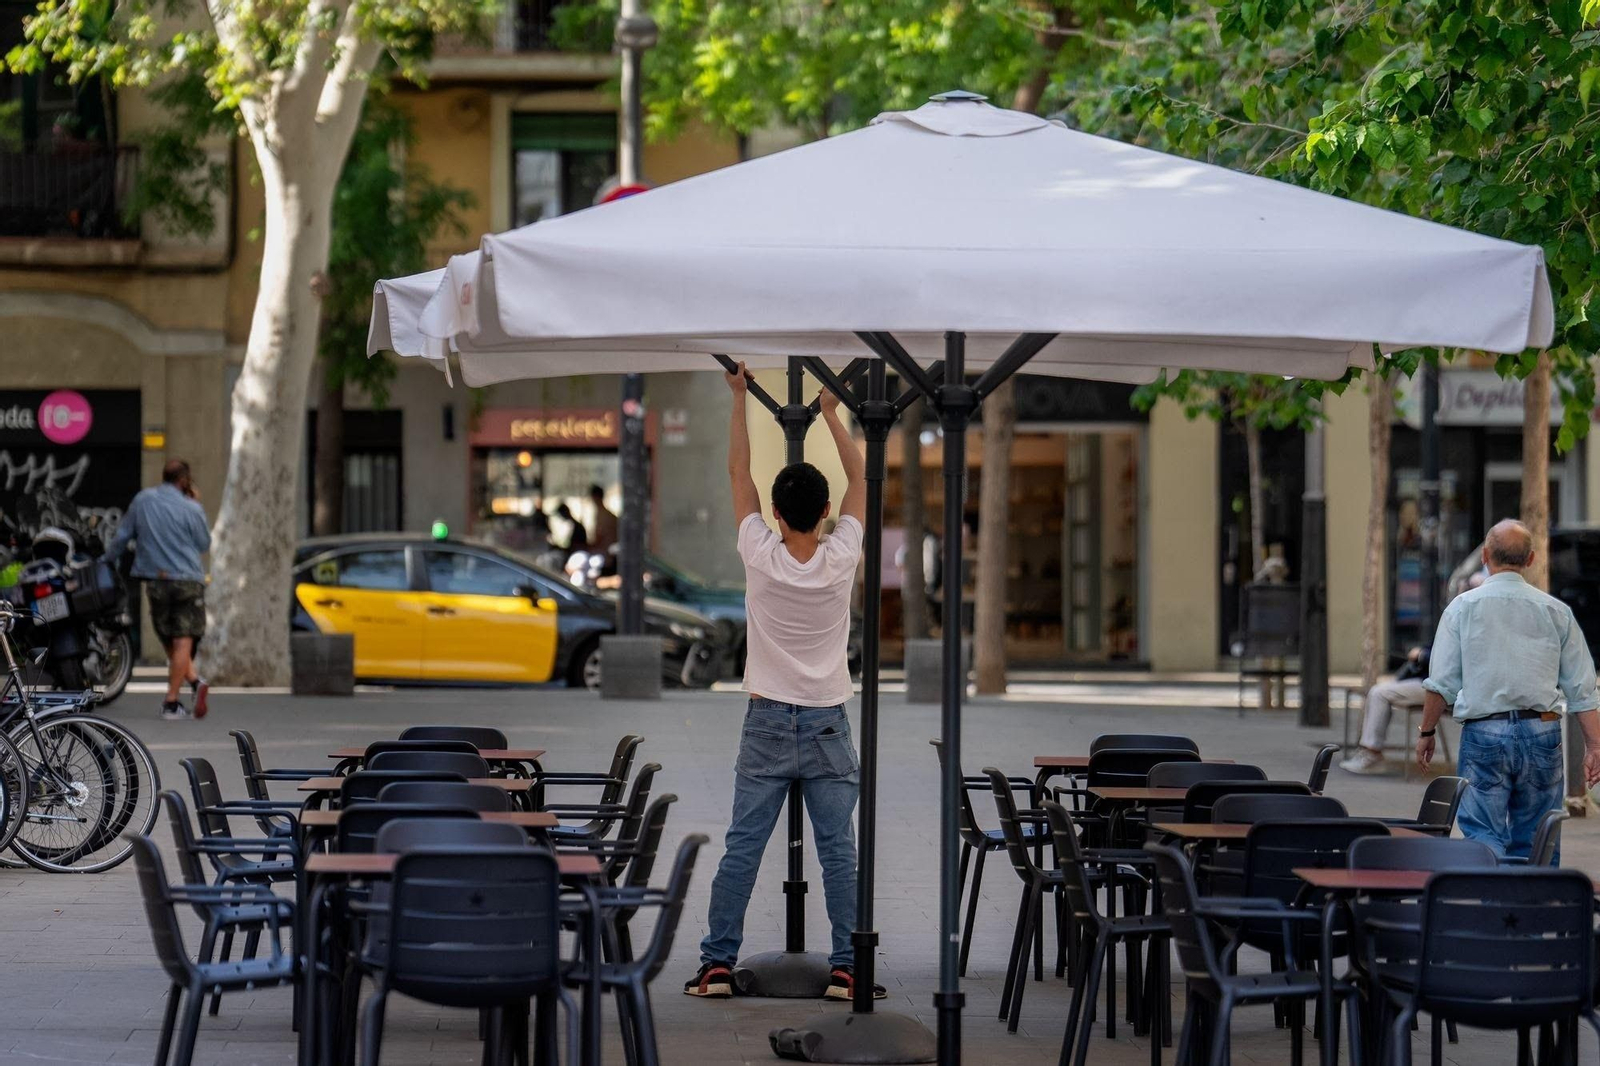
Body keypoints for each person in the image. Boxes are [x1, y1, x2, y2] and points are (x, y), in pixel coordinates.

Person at [685, 361, 882, 1002]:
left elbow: (737, 472)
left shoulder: (759, 553)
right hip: (827, 719)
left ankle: (717, 964)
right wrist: (830, 412)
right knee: (839, 855)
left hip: (768, 718)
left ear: (774, 512)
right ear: (826, 511)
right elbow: (863, 478)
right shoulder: (841, 556)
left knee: (742, 847)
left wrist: (739, 397)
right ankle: (850, 969)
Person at [1418, 518, 1600, 860]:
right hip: (1542, 731)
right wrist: (1594, 745)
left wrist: (1427, 732)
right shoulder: (1556, 612)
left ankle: (1493, 908)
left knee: (1483, 834)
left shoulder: (1462, 608)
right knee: (1538, 838)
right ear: (1531, 560)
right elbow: (1582, 689)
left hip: (1484, 732)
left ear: (1485, 556)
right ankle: (1534, 909)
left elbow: (1439, 683)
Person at [104, 459, 211, 720]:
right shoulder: (191, 507)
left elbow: (121, 537)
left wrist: (106, 562)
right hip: (187, 580)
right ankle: (172, 702)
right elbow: (203, 543)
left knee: (167, 637)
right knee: (182, 639)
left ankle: (196, 683)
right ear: (184, 480)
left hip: (155, 581)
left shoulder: (143, 500)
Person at [1339, 647, 1429, 775]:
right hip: (1428, 680)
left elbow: (1446, 657)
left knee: (1379, 693)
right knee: (1379, 691)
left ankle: (1372, 754)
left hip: (1439, 685)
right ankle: (1370, 752)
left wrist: (1422, 654)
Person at [588, 484, 619, 557]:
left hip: (605, 557)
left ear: (595, 497)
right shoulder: (606, 514)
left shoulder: (602, 515)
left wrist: (587, 548)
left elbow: (598, 538)